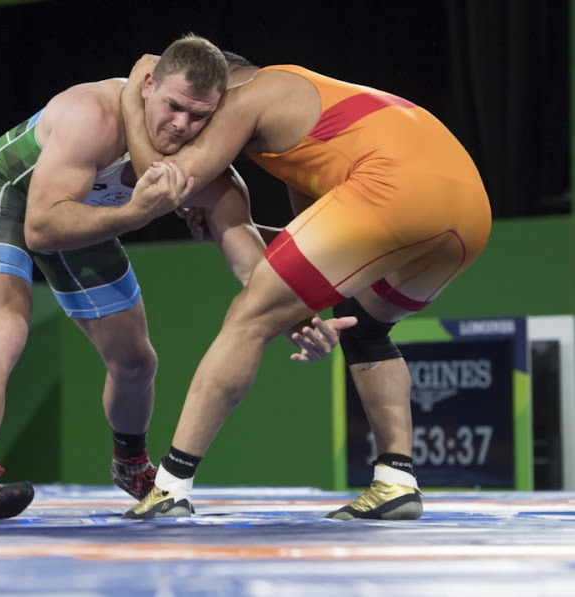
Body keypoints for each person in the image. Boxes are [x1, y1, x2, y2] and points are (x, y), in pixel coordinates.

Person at [118, 52, 492, 520]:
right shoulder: (307, 119)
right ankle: (396, 480)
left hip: (396, 188)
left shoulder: (246, 95)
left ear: (224, 84)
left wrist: (136, 97)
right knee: (368, 331)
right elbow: (317, 243)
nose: (189, 125)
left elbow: (160, 185)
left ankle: (170, 486)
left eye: (199, 114)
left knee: (247, 317)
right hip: (470, 211)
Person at [0, 34, 266, 520]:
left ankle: (131, 464)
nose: (181, 126)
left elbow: (241, 242)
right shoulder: (92, 115)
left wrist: (295, 308)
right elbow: (40, 228)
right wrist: (134, 215)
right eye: (174, 107)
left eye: (199, 116)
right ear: (148, 86)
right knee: (6, 326)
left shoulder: (204, 154)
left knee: (137, 363)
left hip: (81, 213)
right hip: (8, 196)